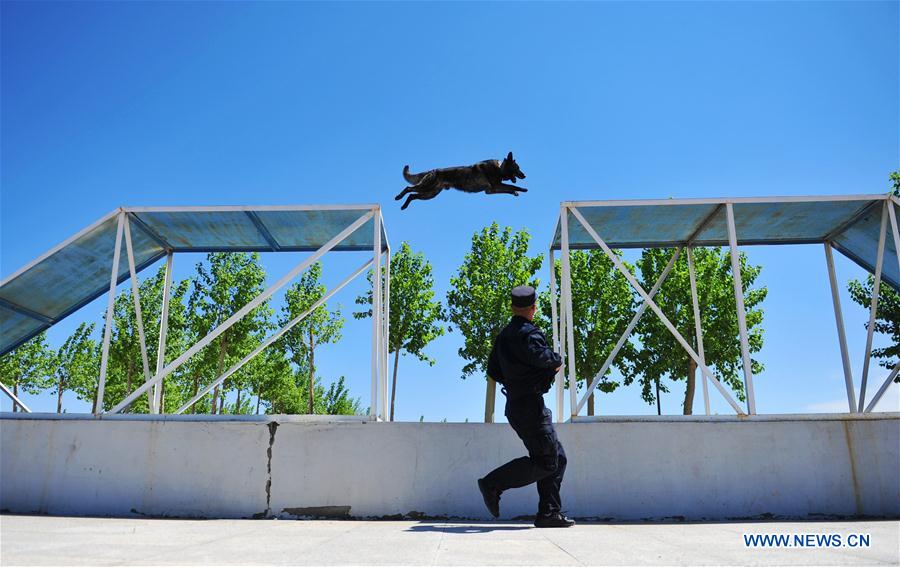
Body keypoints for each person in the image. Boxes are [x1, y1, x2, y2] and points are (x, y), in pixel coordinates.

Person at [477, 285, 575, 528]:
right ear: (533, 308)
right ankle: (493, 483)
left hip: (516, 405)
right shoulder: (529, 333)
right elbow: (541, 357)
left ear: (512, 307)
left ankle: (549, 513)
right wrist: (557, 361)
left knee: (557, 457)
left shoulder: (504, 336)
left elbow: (493, 370)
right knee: (547, 462)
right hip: (530, 406)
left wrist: (516, 381)